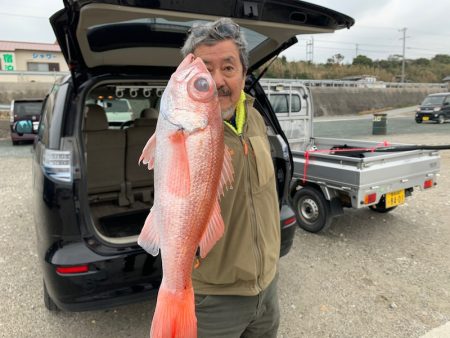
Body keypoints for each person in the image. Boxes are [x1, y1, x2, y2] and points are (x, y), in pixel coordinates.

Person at [181, 17, 281, 338]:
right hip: (215, 297)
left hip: (267, 287)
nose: (217, 80)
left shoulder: (253, 116)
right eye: (205, 69)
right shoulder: (183, 132)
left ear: (243, 73)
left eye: (228, 67)